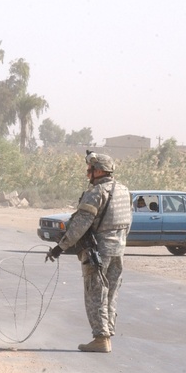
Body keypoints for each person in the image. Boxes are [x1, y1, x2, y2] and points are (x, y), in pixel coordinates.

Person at [46, 151, 132, 353]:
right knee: (110, 294)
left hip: (98, 253)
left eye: (90, 170)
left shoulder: (96, 193)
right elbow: (127, 223)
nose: (87, 174)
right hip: (118, 250)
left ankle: (101, 338)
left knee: (95, 294)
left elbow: (80, 225)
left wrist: (60, 248)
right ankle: (107, 334)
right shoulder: (123, 191)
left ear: (99, 171)